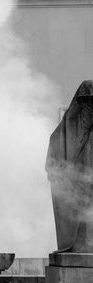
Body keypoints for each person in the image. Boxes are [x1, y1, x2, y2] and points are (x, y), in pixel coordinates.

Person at [46, 80, 93, 253]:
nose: (90, 107)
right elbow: (55, 158)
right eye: (87, 102)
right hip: (76, 183)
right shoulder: (64, 132)